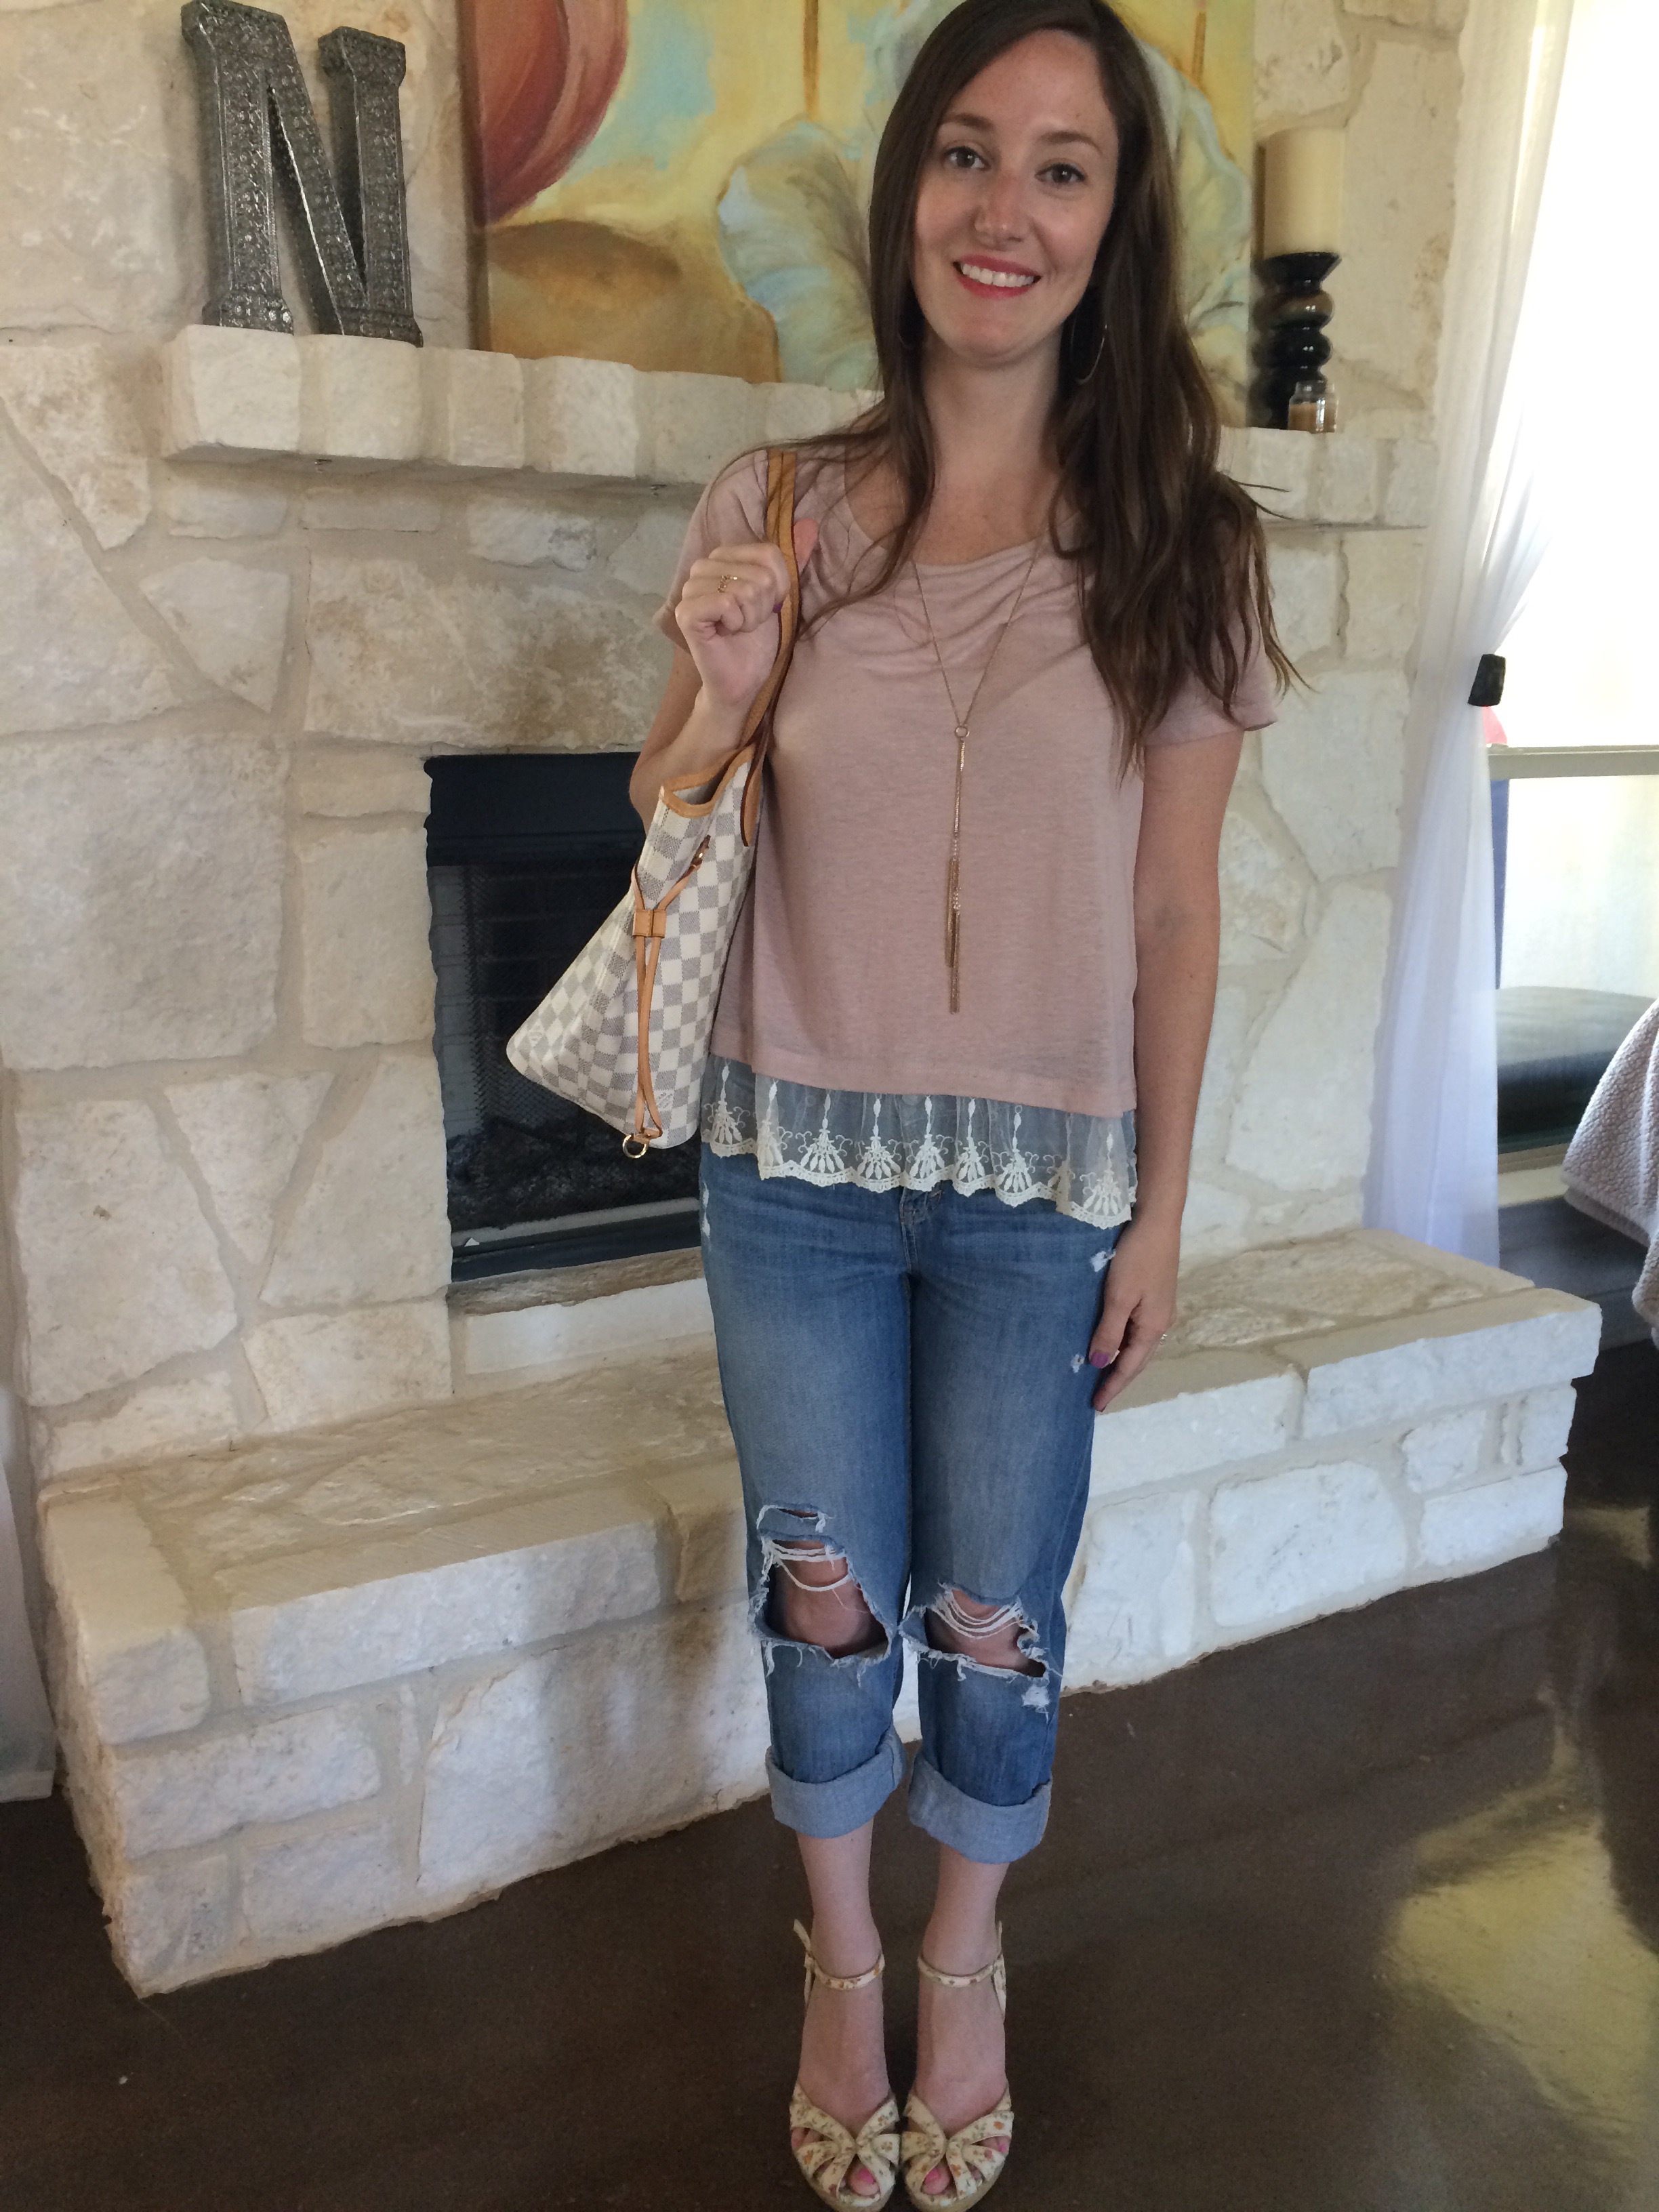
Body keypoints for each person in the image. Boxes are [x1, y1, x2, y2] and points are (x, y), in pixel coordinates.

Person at [632, 3, 1289, 2203]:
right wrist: (722, 691)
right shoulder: (781, 508)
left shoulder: (1187, 542)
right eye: (967, 153)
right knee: (821, 1596)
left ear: (1116, 223)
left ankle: (964, 1956)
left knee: (998, 1618)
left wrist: (1163, 1209)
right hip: (792, 1177)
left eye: (1063, 167)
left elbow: (1176, 906)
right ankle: (842, 1965)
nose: (1005, 209)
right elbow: (667, 810)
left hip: (1042, 1193)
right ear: (906, 186)